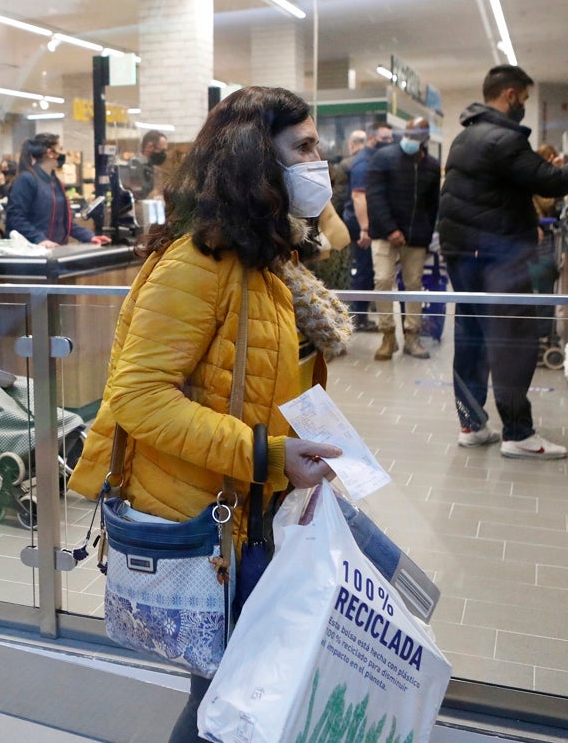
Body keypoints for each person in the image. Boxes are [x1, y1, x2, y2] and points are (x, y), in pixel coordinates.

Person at [65, 86, 345, 743]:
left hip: (263, 504)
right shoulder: (198, 263)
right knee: (225, 698)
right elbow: (140, 396)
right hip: (218, 516)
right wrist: (265, 454)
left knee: (232, 690)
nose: (319, 162)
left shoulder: (272, 260)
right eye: (303, 147)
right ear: (257, 159)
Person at [437, 64, 568, 458]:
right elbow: (553, 181)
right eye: (524, 99)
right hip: (497, 256)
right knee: (512, 341)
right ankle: (517, 432)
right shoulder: (502, 140)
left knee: (472, 337)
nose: (524, 106)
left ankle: (472, 424)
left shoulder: (465, 136)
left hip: (466, 253)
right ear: (510, 95)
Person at [365, 117, 440, 360]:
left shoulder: (431, 165)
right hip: (385, 235)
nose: (412, 139)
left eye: (418, 134)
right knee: (383, 281)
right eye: (410, 133)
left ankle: (412, 336)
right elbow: (375, 197)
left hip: (416, 238)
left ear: (426, 137)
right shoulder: (383, 158)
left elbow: (432, 206)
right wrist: (390, 229)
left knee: (413, 285)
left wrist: (426, 236)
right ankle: (388, 335)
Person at [5, 133, 109, 248]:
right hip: (32, 253)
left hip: (54, 251)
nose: (63, 153)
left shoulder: (55, 182)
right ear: (50, 153)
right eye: (60, 148)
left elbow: (64, 221)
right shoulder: (26, 180)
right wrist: (39, 239)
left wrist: (88, 236)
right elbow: (15, 219)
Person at [342, 121, 394, 331]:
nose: (389, 142)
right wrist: (365, 228)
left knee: (367, 271)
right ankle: (359, 318)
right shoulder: (363, 163)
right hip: (360, 225)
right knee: (363, 271)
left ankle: (361, 314)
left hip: (365, 224)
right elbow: (358, 197)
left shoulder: (373, 158)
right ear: (372, 139)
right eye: (385, 139)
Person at [128, 129, 168, 200]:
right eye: (162, 150)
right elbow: (137, 196)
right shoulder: (135, 166)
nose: (164, 154)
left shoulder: (151, 168)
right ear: (150, 147)